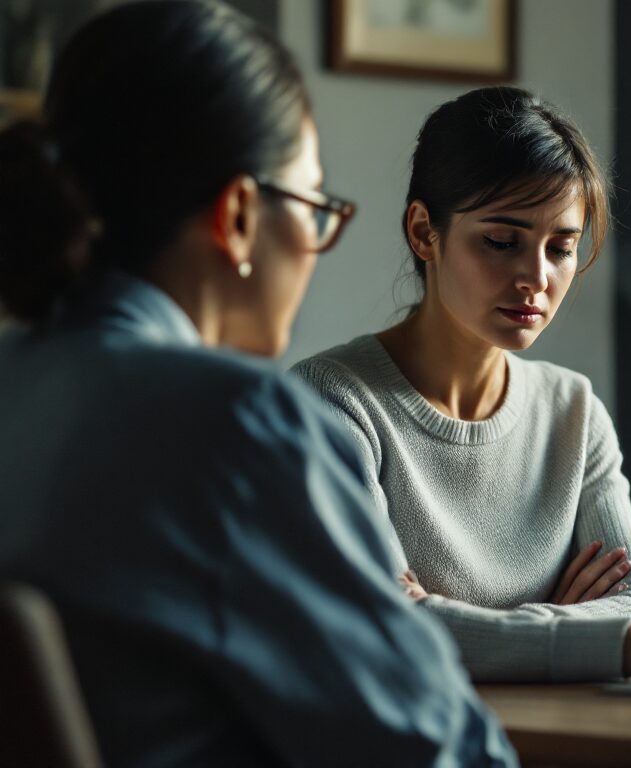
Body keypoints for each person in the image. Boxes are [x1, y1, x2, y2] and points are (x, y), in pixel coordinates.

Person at [0, 2, 515, 764]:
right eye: (312, 207)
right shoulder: (237, 425)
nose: (314, 247)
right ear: (240, 214)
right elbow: (437, 752)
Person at [291, 87, 631, 682]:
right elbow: (384, 626)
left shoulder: (573, 411)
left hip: (564, 730)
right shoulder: (332, 403)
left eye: (562, 248)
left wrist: (479, 630)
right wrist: (574, 630)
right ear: (424, 231)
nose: (536, 277)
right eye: (502, 241)